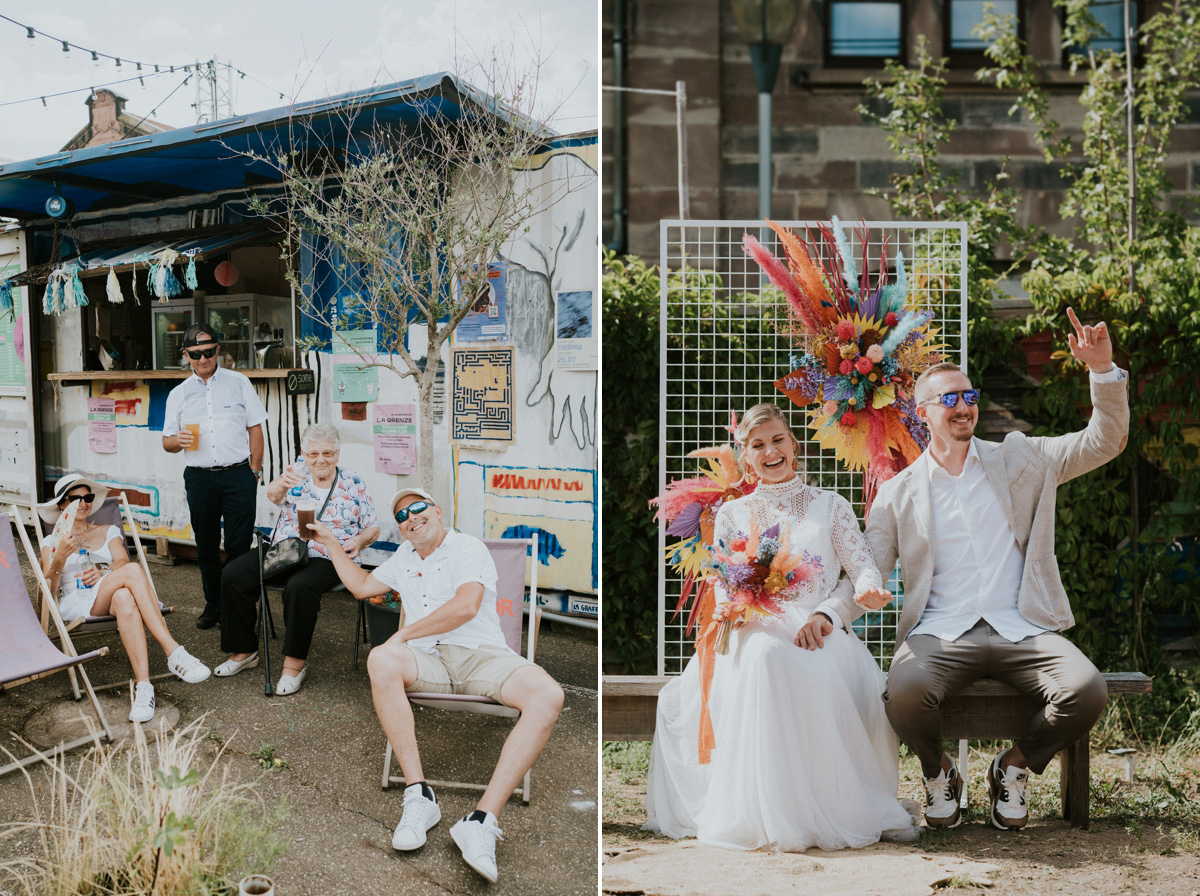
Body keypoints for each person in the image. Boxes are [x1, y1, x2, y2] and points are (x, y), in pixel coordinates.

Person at [800, 307, 1128, 831]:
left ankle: (1013, 767)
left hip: (1020, 626)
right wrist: (830, 614)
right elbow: (867, 571)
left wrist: (1103, 372)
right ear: (922, 412)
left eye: (969, 397)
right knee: (903, 696)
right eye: (949, 399)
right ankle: (940, 772)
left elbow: (1103, 441)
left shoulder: (1021, 460)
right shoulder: (898, 493)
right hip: (940, 632)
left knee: (1087, 689)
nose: (963, 407)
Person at [644, 404, 921, 852]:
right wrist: (739, 607)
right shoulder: (733, 515)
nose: (770, 451)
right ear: (746, 456)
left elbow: (863, 570)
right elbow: (719, 581)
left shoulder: (830, 505)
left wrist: (843, 606)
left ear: (794, 444)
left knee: (796, 661)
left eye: (777, 440)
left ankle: (822, 806)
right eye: (757, 445)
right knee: (763, 657)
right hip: (754, 628)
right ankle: (768, 811)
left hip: (822, 631)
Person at [308, 487, 564, 883]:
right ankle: (419, 795)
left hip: (481, 655)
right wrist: (328, 542)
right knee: (380, 658)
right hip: (428, 661)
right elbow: (360, 586)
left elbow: (466, 607)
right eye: (402, 515)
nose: (411, 517)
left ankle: (480, 821)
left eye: (418, 508)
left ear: (438, 511)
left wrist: (404, 633)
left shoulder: (468, 547)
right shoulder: (404, 556)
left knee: (548, 695)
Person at [214, 423, 379, 694]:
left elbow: (372, 526)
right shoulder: (296, 473)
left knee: (300, 587)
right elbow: (273, 496)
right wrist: (280, 483)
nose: (320, 459)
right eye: (313, 454)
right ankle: (244, 651)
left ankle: (294, 664)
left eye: (327, 453)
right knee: (234, 574)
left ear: (337, 454)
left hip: (328, 555)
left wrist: (359, 541)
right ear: (304, 454)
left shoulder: (353, 481)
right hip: (287, 549)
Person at [38, 473, 211, 723]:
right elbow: (49, 590)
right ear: (62, 504)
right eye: (76, 499)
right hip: (79, 603)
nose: (84, 503)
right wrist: (60, 558)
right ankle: (173, 651)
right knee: (132, 573)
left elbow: (121, 561)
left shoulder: (107, 531)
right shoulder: (50, 542)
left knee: (124, 598)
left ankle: (143, 688)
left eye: (87, 497)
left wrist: (103, 571)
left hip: (109, 594)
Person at [162, 323, 267, 630]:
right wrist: (176, 442)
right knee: (206, 545)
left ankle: (239, 605)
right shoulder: (178, 394)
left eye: (208, 352)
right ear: (186, 355)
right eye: (196, 354)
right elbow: (166, 441)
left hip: (238, 475)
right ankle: (214, 605)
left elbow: (255, 427)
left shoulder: (239, 382)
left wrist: (255, 471)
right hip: (200, 477)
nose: (203, 359)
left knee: (238, 545)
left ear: (217, 349)